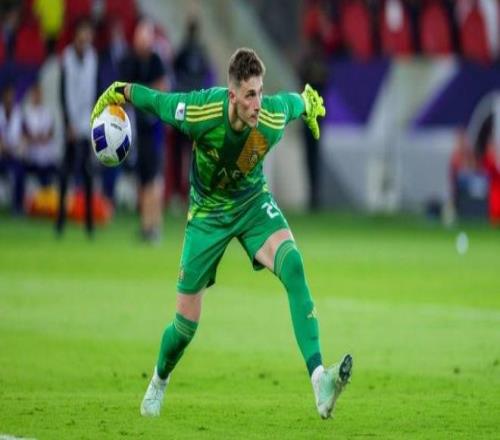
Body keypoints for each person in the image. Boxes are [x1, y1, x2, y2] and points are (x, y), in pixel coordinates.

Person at [91, 47, 352, 419]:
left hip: (251, 202)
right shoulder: (203, 112)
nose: (257, 103)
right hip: (208, 214)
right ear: (232, 96)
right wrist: (122, 90)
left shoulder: (270, 117)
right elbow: (160, 103)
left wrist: (308, 103)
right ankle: (159, 381)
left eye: (259, 92)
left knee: (293, 265)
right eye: (249, 95)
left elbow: (294, 103)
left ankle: (320, 381)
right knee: (184, 328)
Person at [121, 18, 168, 242]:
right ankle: (145, 224)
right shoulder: (130, 61)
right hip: (136, 128)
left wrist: (140, 96)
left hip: (154, 128)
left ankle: (154, 224)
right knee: (142, 179)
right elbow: (124, 92)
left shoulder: (156, 61)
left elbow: (162, 89)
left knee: (153, 178)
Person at [56, 17, 97, 237]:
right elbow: (62, 93)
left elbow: (95, 90)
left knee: (88, 174)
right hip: (71, 125)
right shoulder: (67, 58)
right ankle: (60, 222)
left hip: (86, 123)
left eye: (88, 33)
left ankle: (89, 225)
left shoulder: (93, 58)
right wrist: (67, 123)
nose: (85, 37)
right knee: (65, 174)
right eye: (83, 33)